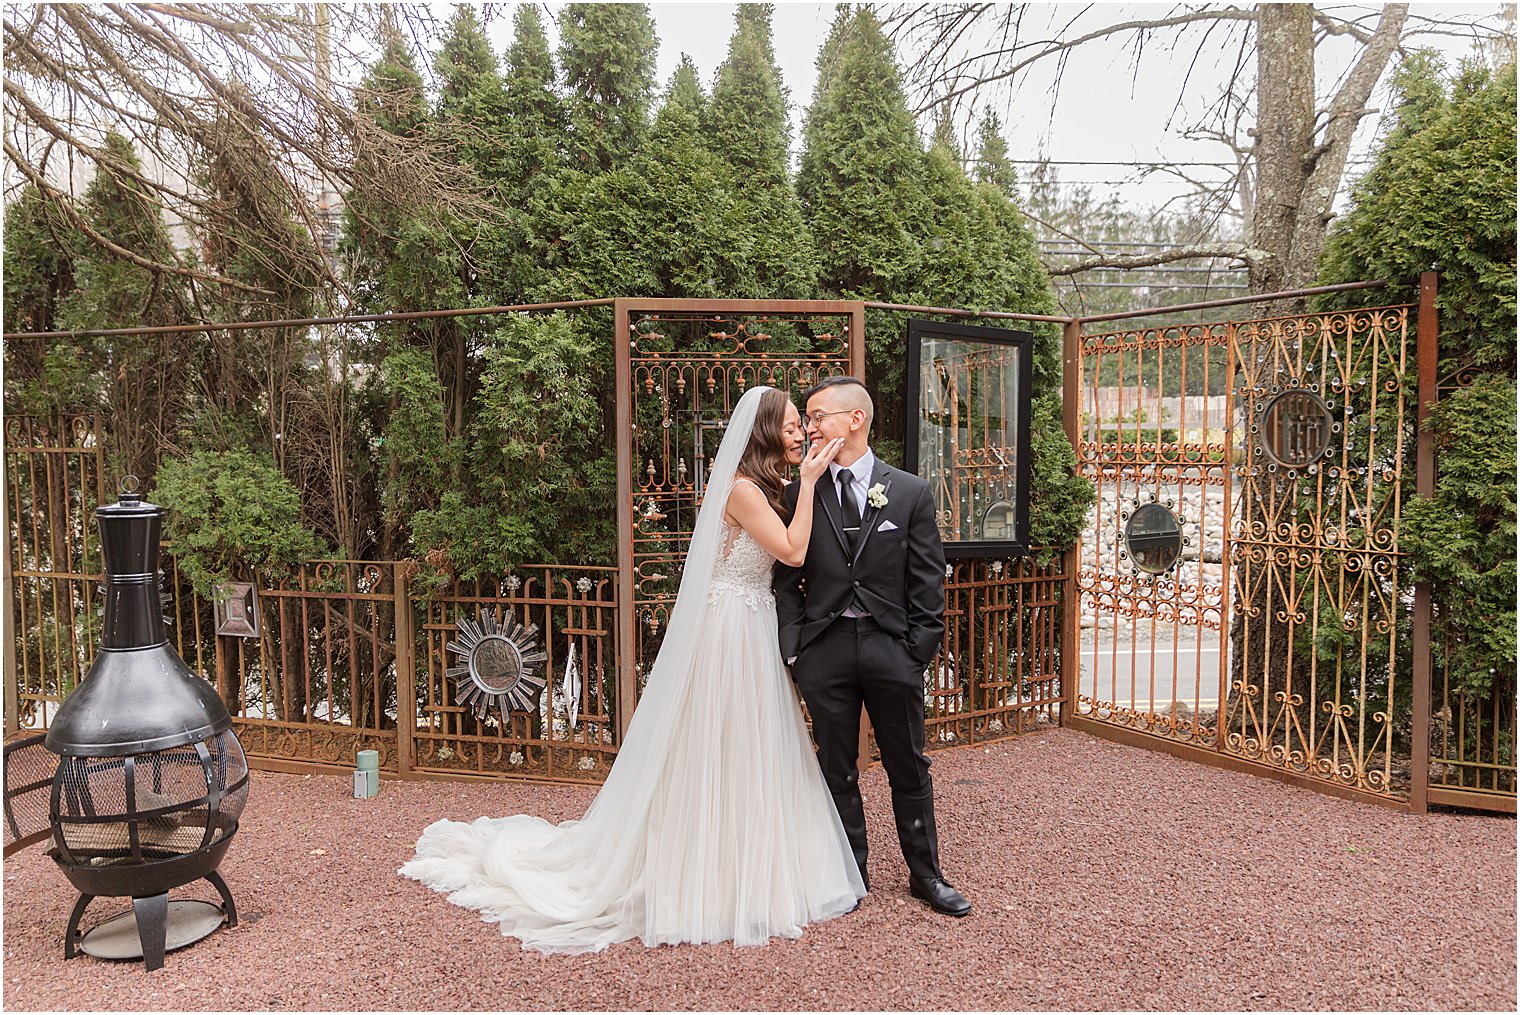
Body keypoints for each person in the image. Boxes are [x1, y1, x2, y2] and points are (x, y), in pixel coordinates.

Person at [400, 385, 864, 954]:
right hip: (729, 629)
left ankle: (747, 862)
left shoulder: (769, 487)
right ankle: (700, 872)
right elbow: (792, 552)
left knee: (751, 743)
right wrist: (815, 481)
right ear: (766, 432)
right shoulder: (743, 491)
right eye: (792, 425)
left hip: (752, 620)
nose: (800, 435)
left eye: (803, 425)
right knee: (718, 744)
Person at [773, 376, 971, 917]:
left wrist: (917, 652)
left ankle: (926, 875)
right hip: (824, 650)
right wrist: (796, 650)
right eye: (807, 419)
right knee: (836, 767)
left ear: (855, 419)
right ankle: (849, 873)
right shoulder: (798, 492)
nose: (809, 428)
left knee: (909, 765)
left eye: (818, 417)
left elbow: (928, 580)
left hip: (891, 651)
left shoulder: (909, 492)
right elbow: (786, 582)